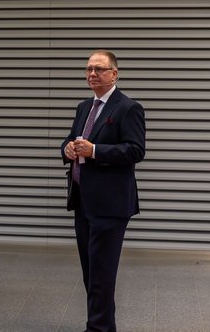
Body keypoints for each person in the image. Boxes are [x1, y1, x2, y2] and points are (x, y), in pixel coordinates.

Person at [61, 50, 146, 332]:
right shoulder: (84, 107)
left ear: (114, 74)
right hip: (83, 201)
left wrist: (95, 150)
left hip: (110, 205)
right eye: (88, 69)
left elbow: (135, 150)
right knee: (91, 273)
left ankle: (96, 328)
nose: (92, 74)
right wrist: (67, 148)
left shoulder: (127, 107)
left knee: (102, 274)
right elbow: (71, 140)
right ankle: (104, 327)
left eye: (99, 69)